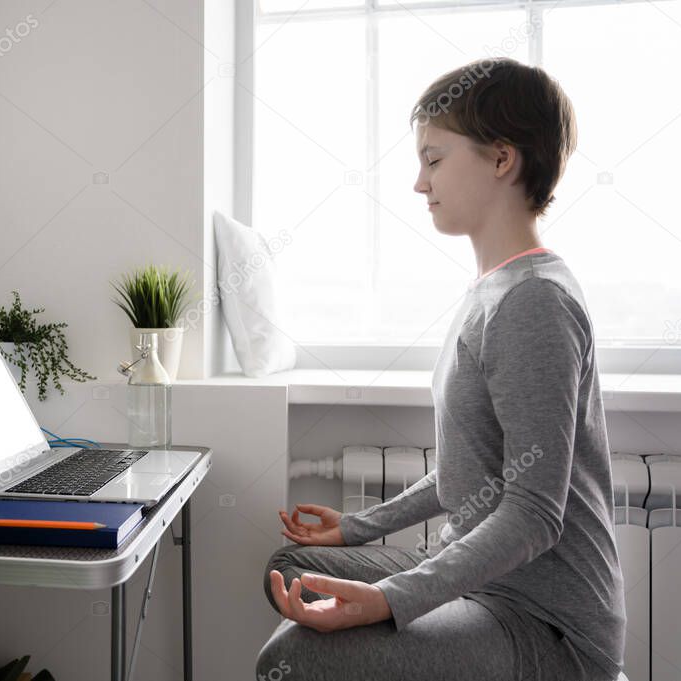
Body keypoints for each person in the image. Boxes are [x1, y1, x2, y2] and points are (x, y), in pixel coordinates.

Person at [256, 57, 627, 681]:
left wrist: (394, 598)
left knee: (290, 658)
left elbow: (535, 511)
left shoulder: (534, 301)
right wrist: (358, 527)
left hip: (545, 620)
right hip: (486, 579)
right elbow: (472, 470)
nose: (419, 183)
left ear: (502, 159)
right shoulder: (493, 287)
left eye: (434, 159)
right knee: (288, 569)